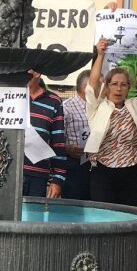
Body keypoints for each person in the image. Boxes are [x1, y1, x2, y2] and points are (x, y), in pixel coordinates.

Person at [84, 37, 137, 207]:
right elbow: (92, 85)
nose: (119, 88)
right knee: (103, 215)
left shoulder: (134, 106)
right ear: (107, 86)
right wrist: (100, 55)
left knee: (131, 215)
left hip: (130, 171)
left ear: (128, 88)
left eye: (123, 84)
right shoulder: (98, 107)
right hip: (102, 170)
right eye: (114, 84)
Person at [23, 69, 66, 198]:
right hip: (7, 172)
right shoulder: (7, 95)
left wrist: (58, 178)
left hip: (38, 176)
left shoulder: (54, 101)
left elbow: (58, 142)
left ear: (37, 72)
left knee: (34, 211)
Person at [61, 71, 91, 201]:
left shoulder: (103, 106)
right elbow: (57, 137)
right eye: (99, 84)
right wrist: (66, 148)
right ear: (86, 87)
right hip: (75, 165)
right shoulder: (67, 107)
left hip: (98, 165)